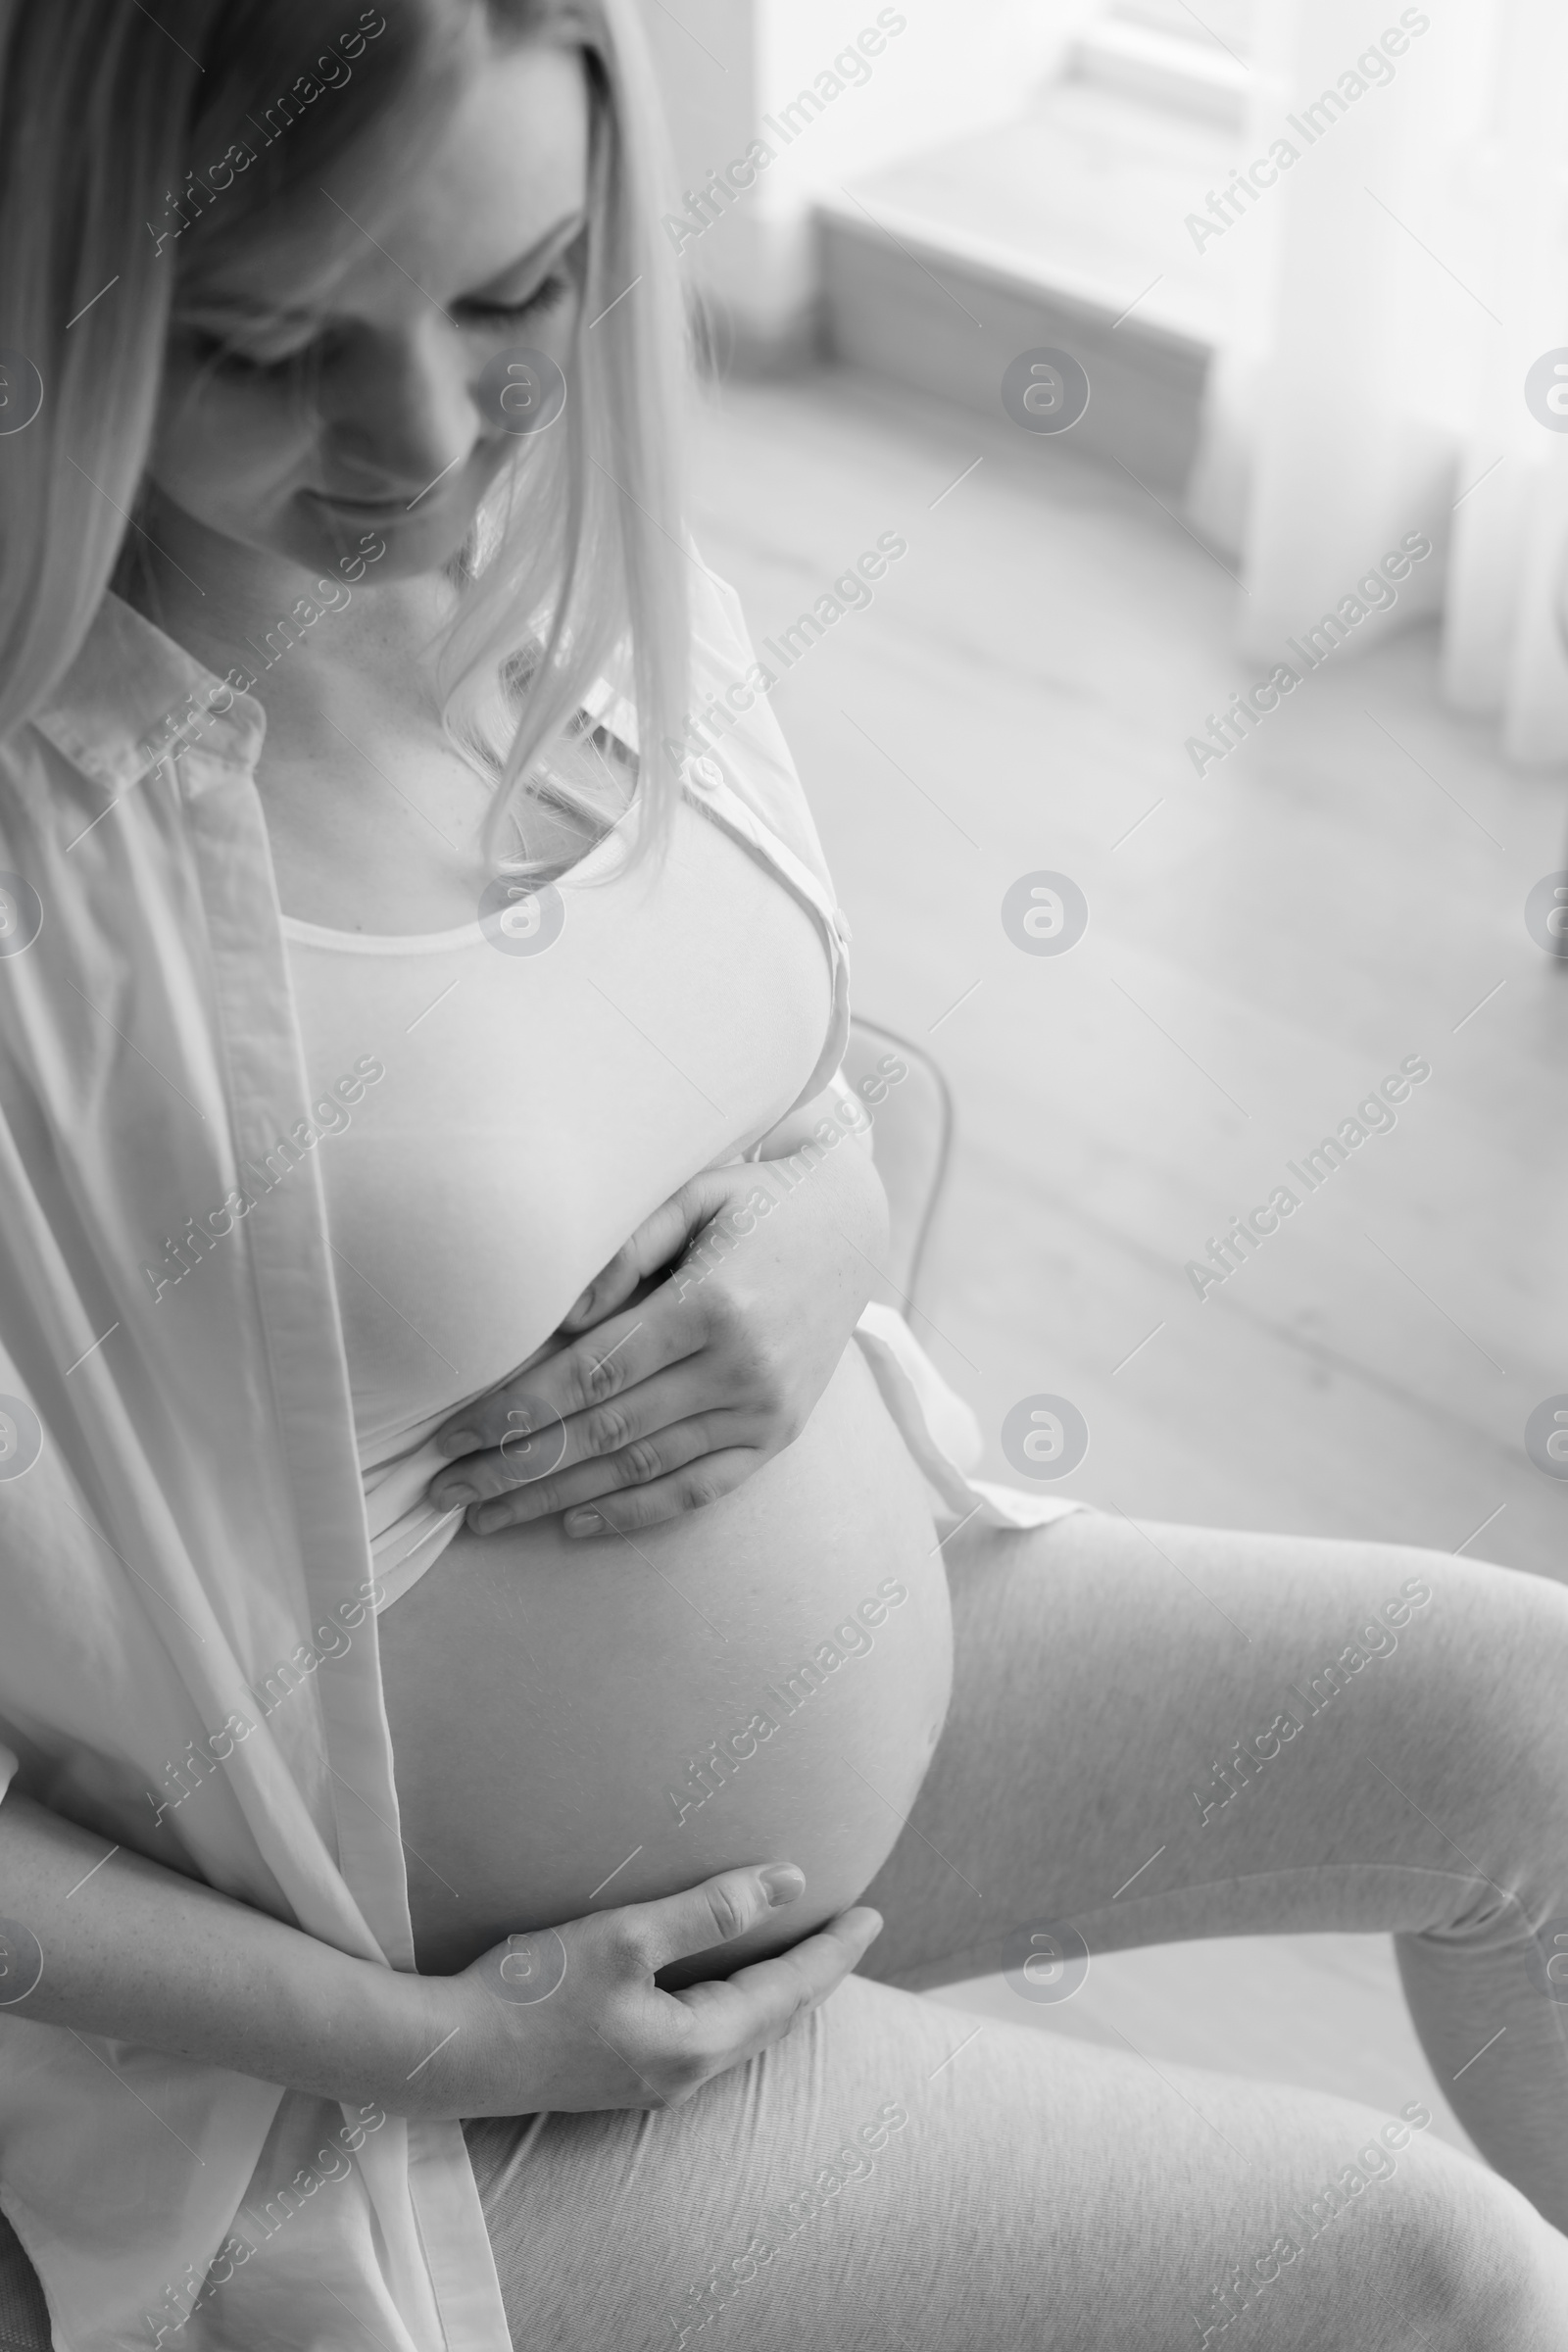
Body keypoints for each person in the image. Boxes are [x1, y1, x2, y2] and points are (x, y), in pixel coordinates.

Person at [0, 5, 1565, 2347]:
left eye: (511, 297)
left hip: (838, 1763)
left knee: (1527, 1727)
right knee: (1429, 2286)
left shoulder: (570, 572)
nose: (418, 439)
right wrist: (453, 2042)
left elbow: (700, 1064)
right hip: (412, 2067)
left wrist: (823, 1207)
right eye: (266, 342)